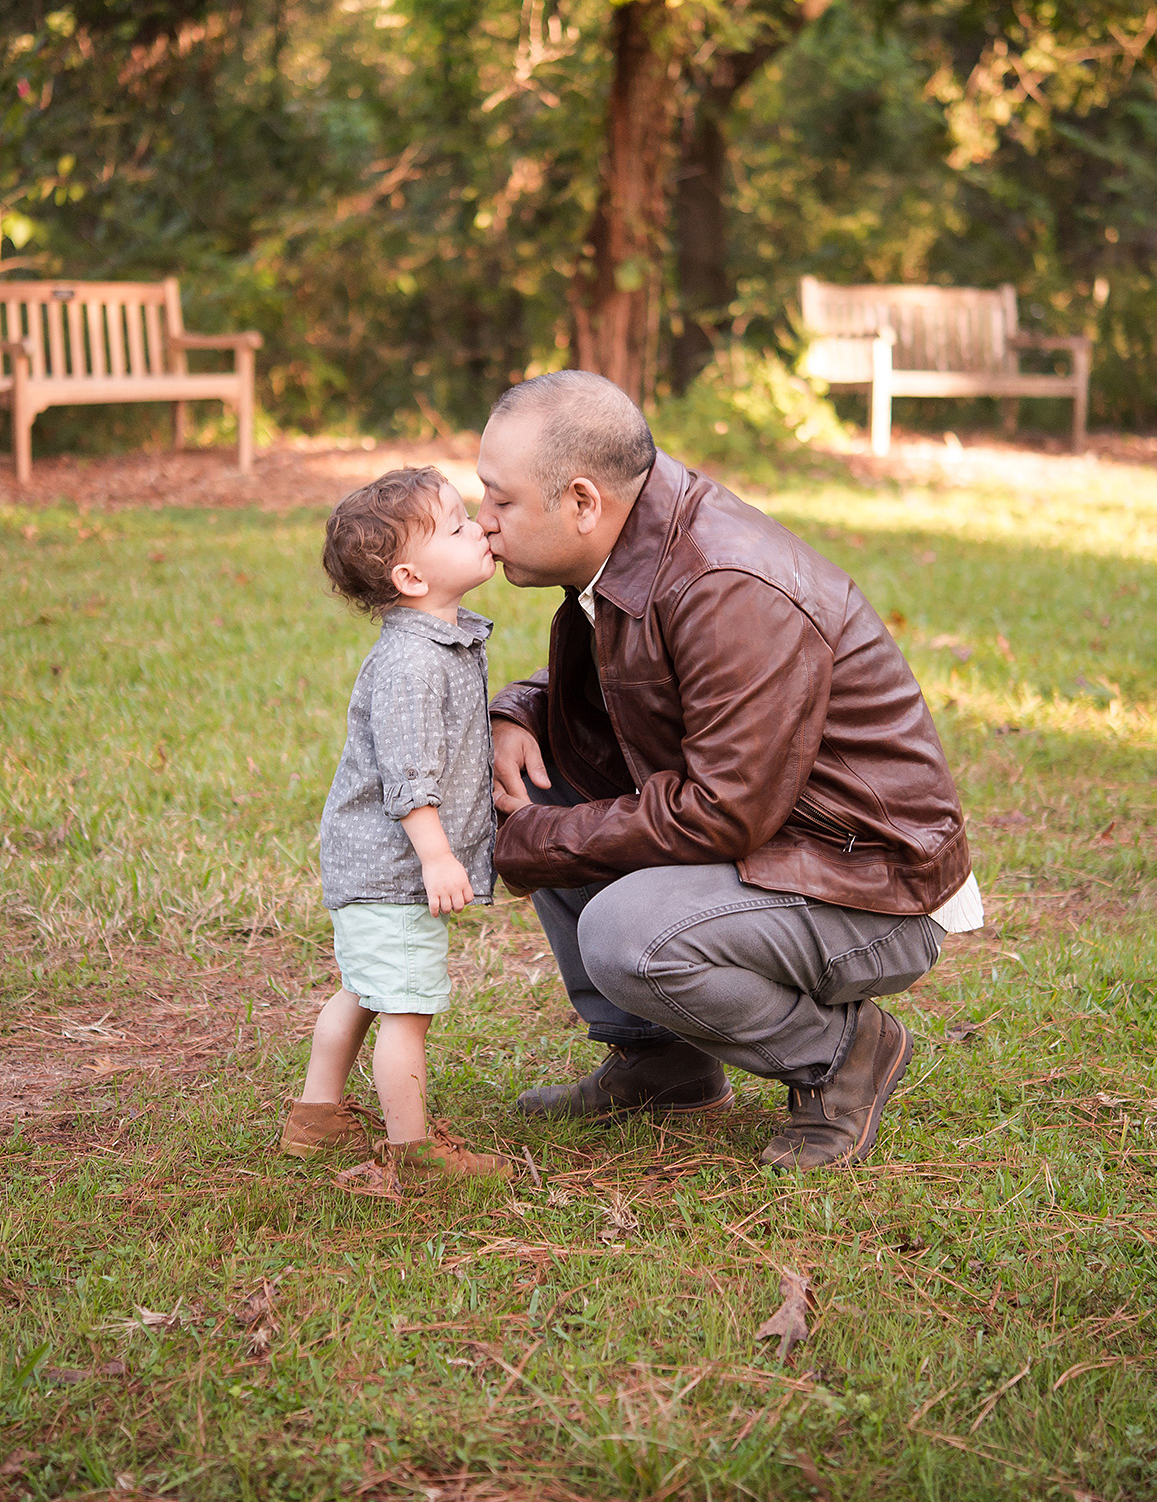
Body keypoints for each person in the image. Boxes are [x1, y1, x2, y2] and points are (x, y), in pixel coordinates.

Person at [476, 370, 983, 1172]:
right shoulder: (634, 542)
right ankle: (663, 1062)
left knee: (623, 931)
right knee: (538, 793)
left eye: (498, 501)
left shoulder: (725, 582)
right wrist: (519, 711)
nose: (483, 523)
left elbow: (721, 811)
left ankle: (844, 1052)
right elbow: (635, 681)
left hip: (871, 881)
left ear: (581, 502)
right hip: (780, 843)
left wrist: (534, 841)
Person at [279, 467, 510, 1189]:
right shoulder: (413, 659)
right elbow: (409, 772)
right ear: (411, 576)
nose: (479, 527)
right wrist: (439, 857)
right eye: (456, 524)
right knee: (405, 1011)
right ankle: (416, 1157)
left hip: (370, 868)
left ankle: (314, 1119)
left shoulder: (436, 640)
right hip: (395, 869)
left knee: (365, 990)